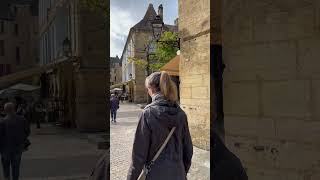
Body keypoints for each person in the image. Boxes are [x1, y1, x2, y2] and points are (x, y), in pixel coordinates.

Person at [127, 71, 193, 180]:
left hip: (155, 174)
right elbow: (188, 150)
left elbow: (138, 155)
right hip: (178, 173)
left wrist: (131, 178)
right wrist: (181, 171)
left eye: (147, 89)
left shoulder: (148, 113)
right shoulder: (181, 114)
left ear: (151, 88)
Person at [0, 102, 30, 180]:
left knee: (6, 167)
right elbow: (27, 132)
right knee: (16, 167)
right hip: (18, 147)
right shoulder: (22, 119)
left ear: (5, 110)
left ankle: (7, 178)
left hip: (5, 148)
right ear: (14, 109)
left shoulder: (2, 122)